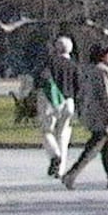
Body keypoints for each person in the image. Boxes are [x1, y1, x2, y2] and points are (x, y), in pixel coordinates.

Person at [61, 43, 108, 189]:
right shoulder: (103, 71)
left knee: (107, 146)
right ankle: (71, 175)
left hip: (90, 111)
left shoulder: (87, 69)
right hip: (103, 114)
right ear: (103, 55)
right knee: (94, 146)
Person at [37, 35, 80, 180]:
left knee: (47, 131)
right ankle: (60, 171)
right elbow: (79, 87)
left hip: (51, 101)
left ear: (56, 47)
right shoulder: (74, 65)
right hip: (69, 102)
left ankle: (55, 156)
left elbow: (39, 80)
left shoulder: (50, 63)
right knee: (63, 135)